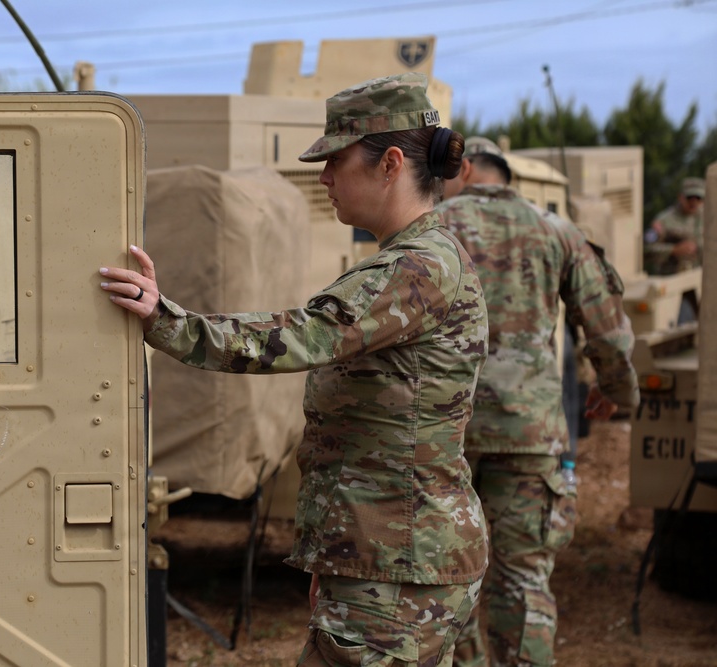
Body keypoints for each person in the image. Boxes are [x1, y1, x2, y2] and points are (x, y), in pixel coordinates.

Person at [101, 73, 489, 666]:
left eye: (336, 160)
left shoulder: (413, 268)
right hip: (387, 555)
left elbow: (299, 337)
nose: (324, 177)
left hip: (397, 565)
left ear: (389, 163)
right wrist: (335, 561)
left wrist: (165, 319)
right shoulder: (414, 259)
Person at [435, 137, 640, 667]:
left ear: (468, 169)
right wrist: (616, 391)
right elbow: (610, 333)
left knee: (442, 577)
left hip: (442, 433)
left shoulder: (430, 229)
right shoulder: (557, 230)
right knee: (523, 579)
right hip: (529, 431)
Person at [643, 176, 706, 275]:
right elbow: (646, 249)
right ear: (680, 197)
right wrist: (673, 250)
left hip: (701, 277)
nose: (694, 202)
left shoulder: (708, 218)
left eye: (698, 198)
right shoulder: (664, 221)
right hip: (672, 279)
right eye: (690, 198)